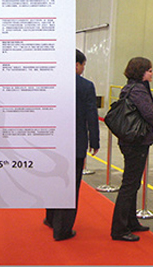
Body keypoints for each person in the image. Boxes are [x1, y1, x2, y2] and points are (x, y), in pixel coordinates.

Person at [44, 50, 100, 241]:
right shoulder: (86, 86)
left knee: (54, 181)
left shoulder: (52, 83)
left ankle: (51, 218)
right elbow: (91, 115)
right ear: (76, 65)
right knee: (70, 186)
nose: (83, 69)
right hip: (75, 142)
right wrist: (94, 141)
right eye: (83, 65)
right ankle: (62, 229)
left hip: (53, 141)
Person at [111, 57, 153, 242]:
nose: (152, 73)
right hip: (136, 142)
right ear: (141, 72)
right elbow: (148, 112)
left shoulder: (129, 87)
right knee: (129, 185)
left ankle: (131, 222)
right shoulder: (138, 90)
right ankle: (119, 228)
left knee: (132, 184)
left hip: (129, 140)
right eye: (149, 70)